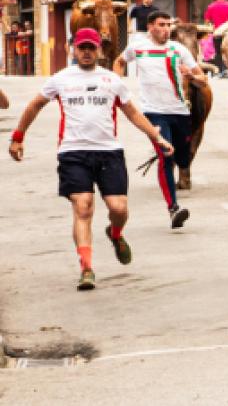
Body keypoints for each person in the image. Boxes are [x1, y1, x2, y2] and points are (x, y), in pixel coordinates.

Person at [7, 27, 175, 291]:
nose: (86, 52)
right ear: (73, 49)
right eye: (81, 47)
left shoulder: (112, 80)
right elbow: (35, 105)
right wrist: (18, 136)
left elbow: (132, 113)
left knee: (118, 209)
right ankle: (86, 267)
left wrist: (157, 137)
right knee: (83, 206)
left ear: (100, 51)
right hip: (73, 152)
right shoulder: (61, 79)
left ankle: (115, 233)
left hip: (109, 151)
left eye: (91, 48)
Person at [115, 11, 206, 229]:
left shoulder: (179, 49)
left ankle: (181, 162)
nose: (166, 29)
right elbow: (119, 61)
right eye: (161, 25)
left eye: (168, 25)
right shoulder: (137, 47)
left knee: (183, 159)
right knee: (167, 154)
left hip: (180, 112)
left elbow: (202, 80)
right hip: (153, 112)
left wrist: (192, 76)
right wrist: (115, 83)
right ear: (151, 27)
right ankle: (173, 207)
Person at [203, 0, 228, 77]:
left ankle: (219, 72)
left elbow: (207, 22)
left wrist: (210, 30)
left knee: (218, 52)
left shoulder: (210, 6)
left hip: (217, 33)